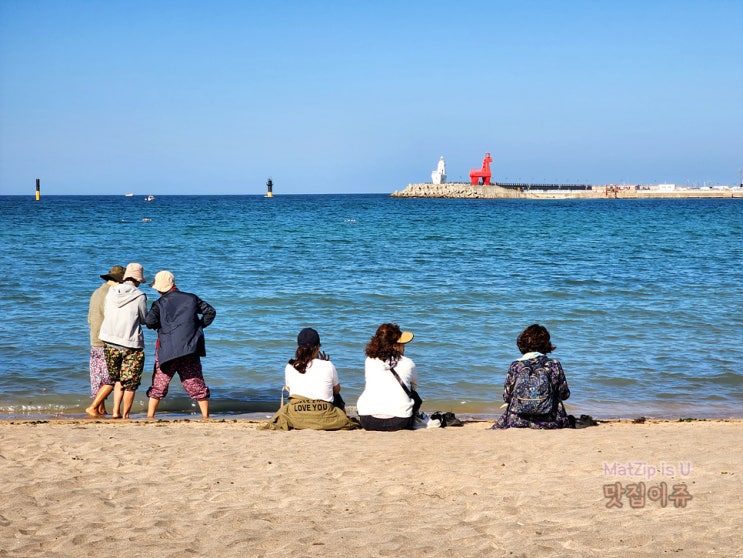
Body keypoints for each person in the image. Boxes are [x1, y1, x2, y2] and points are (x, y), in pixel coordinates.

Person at [145, 270, 216, 419]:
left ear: (159, 288)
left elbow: (149, 322)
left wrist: (162, 326)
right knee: (195, 381)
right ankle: (205, 416)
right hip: (190, 348)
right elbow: (210, 312)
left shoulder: (159, 303)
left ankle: (150, 417)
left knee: (159, 383)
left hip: (167, 350)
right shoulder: (191, 298)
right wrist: (197, 327)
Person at [263, 328, 359, 430]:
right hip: (323, 414)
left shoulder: (290, 366)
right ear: (317, 347)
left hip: (298, 415)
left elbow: (290, 389)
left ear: (299, 348)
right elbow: (337, 390)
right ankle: (341, 416)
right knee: (336, 395)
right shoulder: (327, 365)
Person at [87, 263, 148, 419]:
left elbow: (102, 315)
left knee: (115, 379)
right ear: (138, 280)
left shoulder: (107, 292)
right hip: (128, 342)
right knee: (129, 383)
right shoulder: (139, 295)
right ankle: (122, 414)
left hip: (105, 340)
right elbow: (143, 319)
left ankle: (111, 411)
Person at [492, 324, 571, 429]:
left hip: (517, 420)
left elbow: (507, 397)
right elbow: (564, 394)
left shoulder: (515, 365)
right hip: (551, 421)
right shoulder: (554, 365)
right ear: (546, 344)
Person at [356, 323, 420, 431]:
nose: (404, 346)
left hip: (368, 420)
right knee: (414, 395)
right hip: (399, 421)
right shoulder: (408, 363)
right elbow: (413, 387)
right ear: (395, 346)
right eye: (402, 343)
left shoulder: (369, 361)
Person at [85, 264, 125, 416]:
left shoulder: (97, 292)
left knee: (98, 377)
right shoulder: (112, 293)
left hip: (94, 338)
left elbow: (89, 317)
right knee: (114, 377)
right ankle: (93, 407)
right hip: (107, 340)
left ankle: (101, 409)